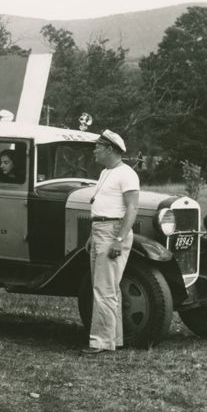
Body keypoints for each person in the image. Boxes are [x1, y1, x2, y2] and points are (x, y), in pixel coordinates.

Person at [83, 129, 140, 356]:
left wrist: (119, 238)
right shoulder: (106, 172)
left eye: (98, 146)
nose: (94, 150)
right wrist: (92, 234)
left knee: (103, 289)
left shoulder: (127, 174)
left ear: (109, 149)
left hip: (113, 232)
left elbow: (132, 208)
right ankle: (113, 340)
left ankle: (99, 342)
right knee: (108, 288)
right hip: (100, 230)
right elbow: (101, 206)